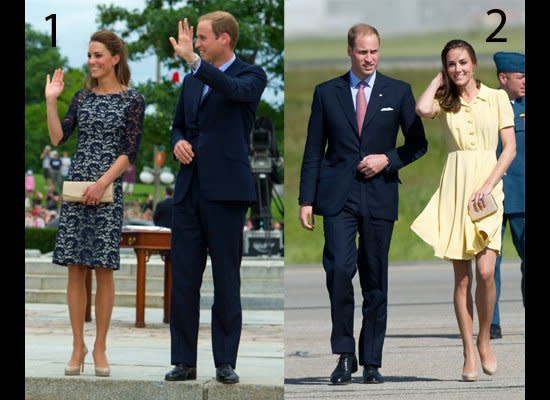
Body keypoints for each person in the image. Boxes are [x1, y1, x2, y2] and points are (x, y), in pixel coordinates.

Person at [298, 23, 427, 385]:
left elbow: (418, 145)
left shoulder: (398, 92)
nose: (369, 58)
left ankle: (371, 360)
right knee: (338, 271)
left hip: (380, 194)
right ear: (350, 52)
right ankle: (344, 354)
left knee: (375, 279)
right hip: (338, 197)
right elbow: (312, 150)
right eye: (362, 52)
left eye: (374, 52)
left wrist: (387, 159)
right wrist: (306, 199)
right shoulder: (327, 93)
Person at [164, 12, 267, 384]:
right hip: (189, 191)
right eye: (197, 41)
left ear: (225, 39)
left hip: (226, 193)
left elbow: (232, 91)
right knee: (185, 281)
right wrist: (178, 143)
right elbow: (177, 125)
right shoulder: (192, 82)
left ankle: (225, 360)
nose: (198, 44)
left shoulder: (251, 76)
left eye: (203, 38)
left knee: (226, 280)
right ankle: (183, 361)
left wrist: (193, 61)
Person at [411, 39, 516, 381]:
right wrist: (437, 80)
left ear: (474, 64)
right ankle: (468, 350)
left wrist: (487, 186)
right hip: (455, 189)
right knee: (463, 278)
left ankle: (484, 338)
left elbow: (509, 149)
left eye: (463, 62)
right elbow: (422, 110)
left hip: (488, 187)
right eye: (451, 64)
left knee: (486, 272)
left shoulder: (497, 98)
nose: (458, 69)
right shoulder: (445, 100)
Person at [45, 30, 144, 377]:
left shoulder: (133, 100)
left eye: (98, 55)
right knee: (74, 268)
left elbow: (129, 152)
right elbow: (58, 137)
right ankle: (77, 346)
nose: (92, 61)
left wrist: (102, 182)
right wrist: (51, 101)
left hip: (106, 189)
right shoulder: (81, 98)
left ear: (116, 58)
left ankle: (100, 346)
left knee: (104, 269)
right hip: (76, 189)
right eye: (89, 55)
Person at [489, 52, 525, 340]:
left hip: (523, 197)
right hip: (492, 196)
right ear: (503, 78)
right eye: (521, 76)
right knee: (489, 266)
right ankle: (491, 321)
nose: (526, 81)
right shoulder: (487, 106)